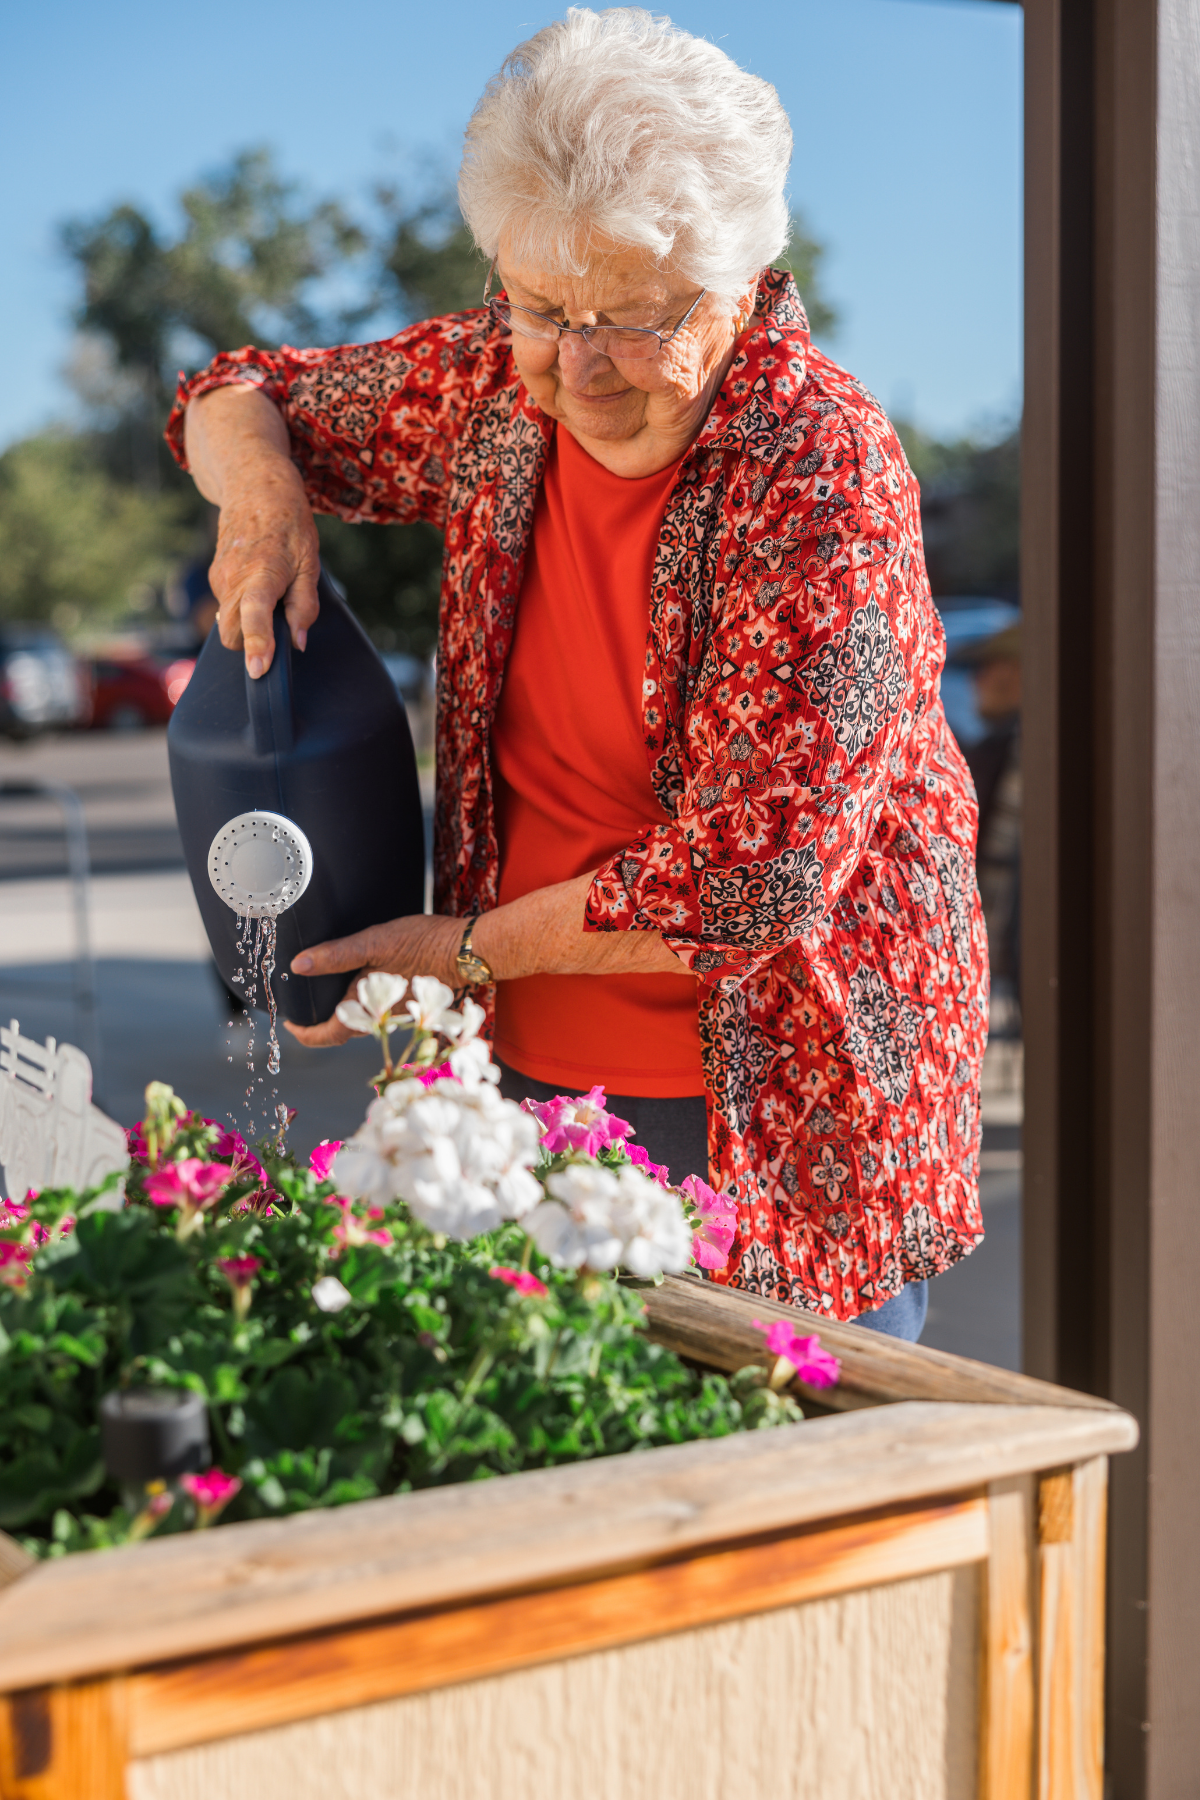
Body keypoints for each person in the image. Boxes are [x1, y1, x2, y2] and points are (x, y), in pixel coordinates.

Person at [168, 7, 988, 1339]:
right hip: (525, 1076)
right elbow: (234, 390)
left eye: (632, 317)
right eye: (543, 306)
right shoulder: (504, 376)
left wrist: (460, 951)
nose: (577, 363)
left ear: (740, 284)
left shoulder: (821, 467)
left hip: (779, 1109)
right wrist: (265, 498)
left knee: (777, 1499)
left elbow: (755, 873)